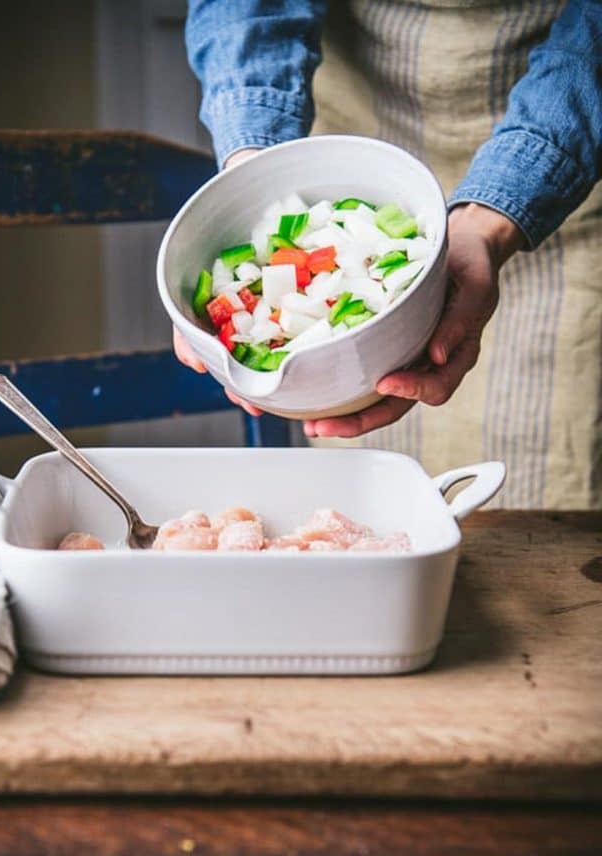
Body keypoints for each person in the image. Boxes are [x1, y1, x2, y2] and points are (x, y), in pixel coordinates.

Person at [175, 0, 602, 509]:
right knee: (360, 512)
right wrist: (256, 169)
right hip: (349, 130)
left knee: (549, 490)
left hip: (564, 162)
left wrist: (490, 222)